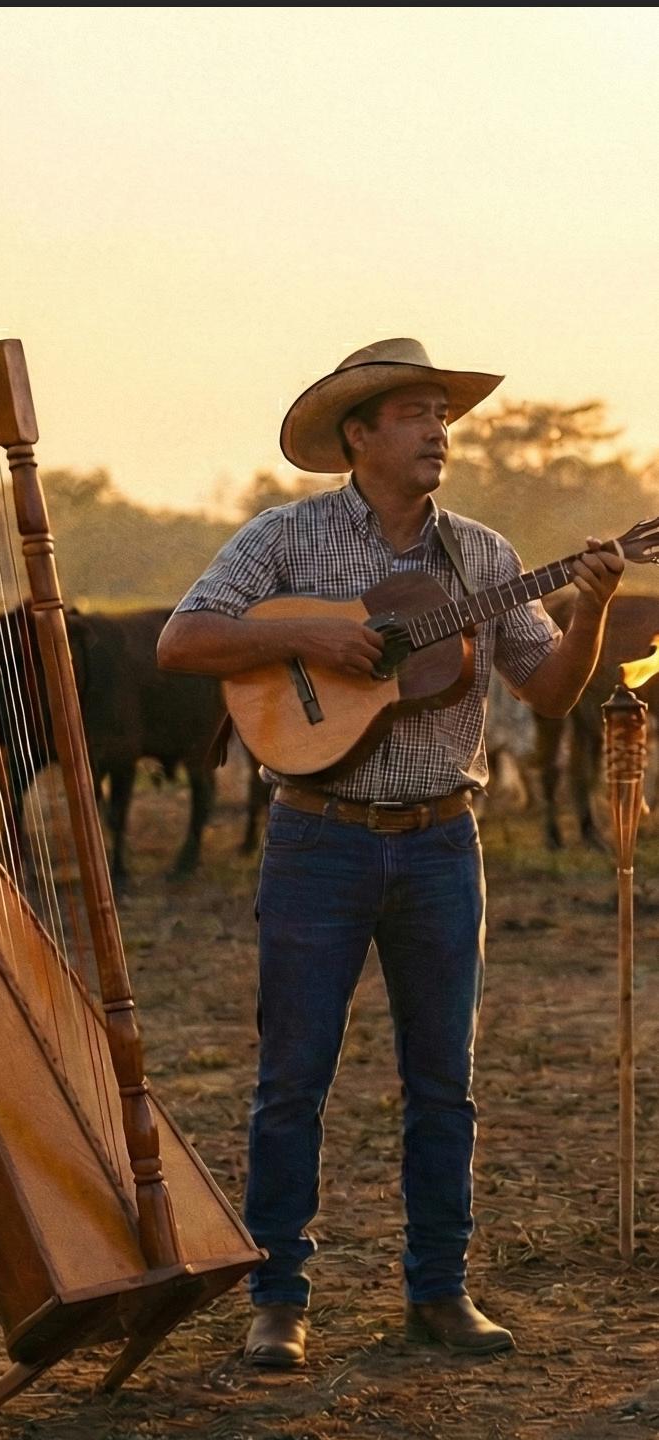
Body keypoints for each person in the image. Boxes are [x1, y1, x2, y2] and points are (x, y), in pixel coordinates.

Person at [156, 338, 623, 1370]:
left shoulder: (485, 559)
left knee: (443, 1082)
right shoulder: (286, 538)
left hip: (441, 843)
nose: (438, 433)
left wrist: (590, 605)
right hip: (317, 836)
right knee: (291, 1079)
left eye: (441, 415)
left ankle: (440, 1289)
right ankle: (277, 1298)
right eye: (415, 415)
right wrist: (313, 643)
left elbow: (550, 691)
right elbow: (183, 642)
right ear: (359, 435)